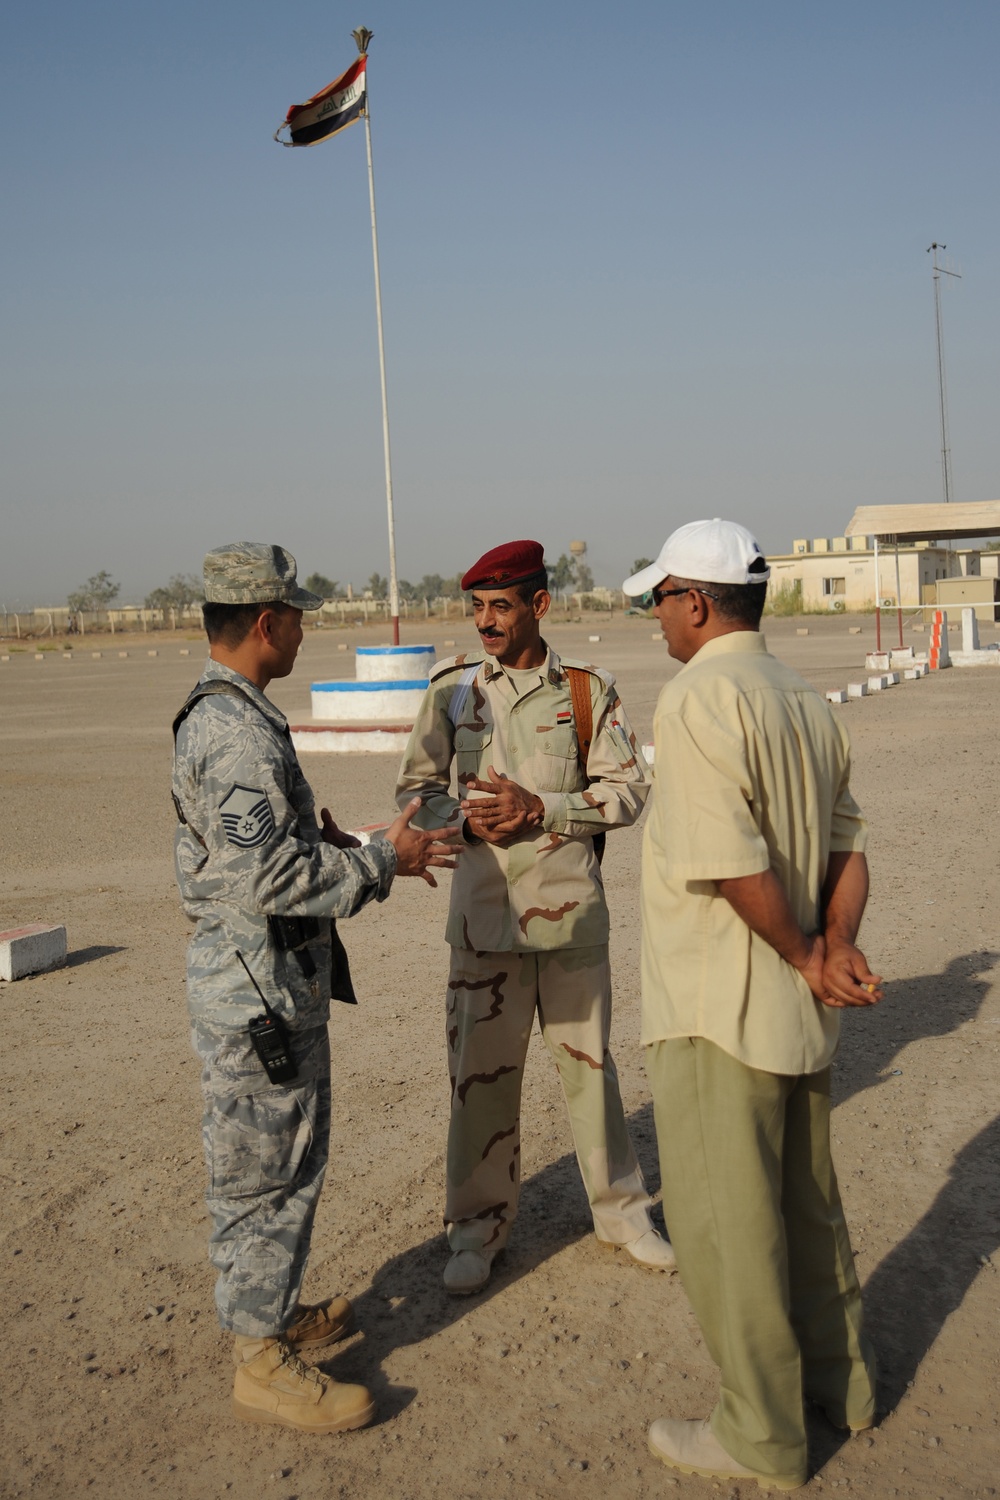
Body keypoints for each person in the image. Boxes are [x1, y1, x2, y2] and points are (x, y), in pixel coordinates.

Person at [172, 542, 460, 1434]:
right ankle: (259, 1358)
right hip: (255, 995)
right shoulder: (231, 731)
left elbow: (267, 858)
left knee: (290, 1155)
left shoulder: (239, 716)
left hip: (271, 983)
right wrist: (381, 859)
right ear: (266, 623)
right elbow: (267, 881)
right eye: (296, 615)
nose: (302, 630)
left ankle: (272, 1304)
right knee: (263, 1166)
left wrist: (342, 849)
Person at [622, 519, 882, 1490]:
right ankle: (845, 1389)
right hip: (795, 1011)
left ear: (695, 601)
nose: (654, 618)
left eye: (659, 599)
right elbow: (849, 847)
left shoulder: (698, 697)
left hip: (716, 1008)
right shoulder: (802, 698)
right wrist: (833, 946)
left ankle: (762, 1435)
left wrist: (807, 949)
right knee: (807, 1207)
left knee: (727, 1227)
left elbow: (728, 861)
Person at [395, 539, 675, 1295]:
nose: (486, 622)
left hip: (572, 923)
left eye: (501, 606)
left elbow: (627, 793)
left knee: (593, 1074)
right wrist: (460, 823)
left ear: (538, 605)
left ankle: (622, 1214)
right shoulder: (451, 692)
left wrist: (540, 807)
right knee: (479, 1081)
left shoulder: (587, 692)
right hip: (484, 925)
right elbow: (415, 790)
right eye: (478, 608)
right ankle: (475, 1230)